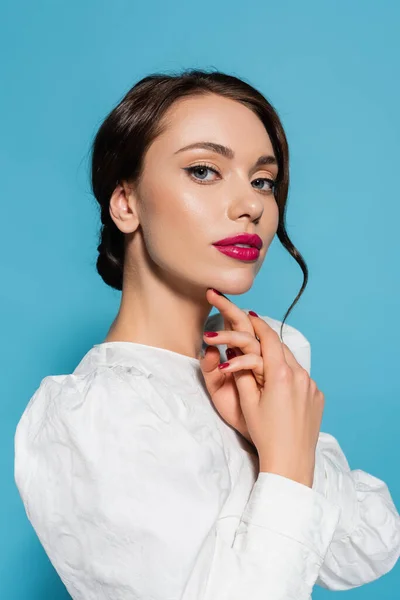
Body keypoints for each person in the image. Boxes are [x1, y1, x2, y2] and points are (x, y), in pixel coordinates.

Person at [14, 68, 400, 599]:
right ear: (125, 203)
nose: (252, 205)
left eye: (262, 180)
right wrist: (286, 460)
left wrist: (278, 438)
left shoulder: (259, 367)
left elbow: (370, 551)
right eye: (204, 170)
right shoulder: (99, 415)